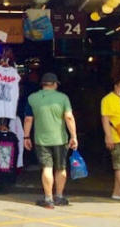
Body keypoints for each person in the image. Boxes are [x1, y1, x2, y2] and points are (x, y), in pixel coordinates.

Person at [23, 73, 77, 209]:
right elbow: (69, 117)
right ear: (54, 84)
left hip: (41, 140)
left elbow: (28, 119)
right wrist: (74, 136)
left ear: (42, 84)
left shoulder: (32, 98)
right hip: (60, 139)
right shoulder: (63, 98)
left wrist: (26, 137)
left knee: (47, 168)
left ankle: (48, 198)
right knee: (61, 168)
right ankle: (59, 196)